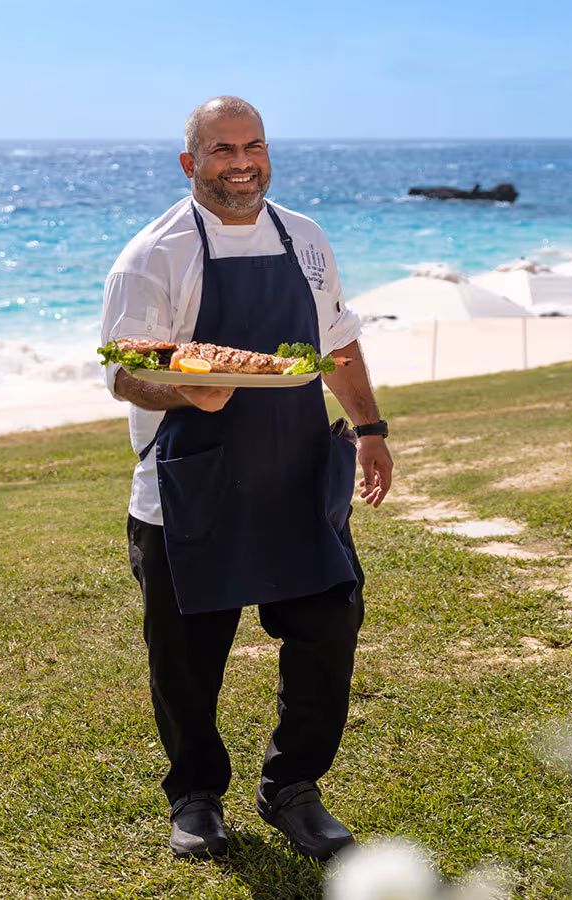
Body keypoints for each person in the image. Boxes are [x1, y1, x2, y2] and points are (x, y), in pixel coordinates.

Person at [99, 96, 393, 862]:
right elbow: (126, 376)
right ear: (190, 161)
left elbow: (339, 341)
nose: (242, 162)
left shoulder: (305, 237)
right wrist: (185, 389)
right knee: (187, 660)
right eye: (223, 149)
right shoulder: (152, 256)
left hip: (296, 476)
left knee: (330, 626)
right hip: (191, 488)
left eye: (254, 145)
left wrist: (369, 429)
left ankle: (292, 787)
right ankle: (195, 797)